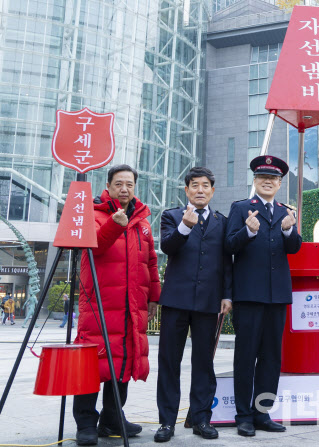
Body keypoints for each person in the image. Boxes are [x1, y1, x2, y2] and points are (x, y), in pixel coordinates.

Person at [73, 164, 161, 446]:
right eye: (119, 184)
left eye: (130, 184)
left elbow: (151, 263)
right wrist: (114, 224)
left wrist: (154, 298)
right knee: (92, 364)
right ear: (108, 186)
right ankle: (86, 423)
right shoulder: (94, 214)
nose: (124, 189)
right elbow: (93, 247)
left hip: (131, 307)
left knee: (123, 363)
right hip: (99, 305)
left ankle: (112, 418)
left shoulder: (143, 222)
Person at [154, 167, 233, 442]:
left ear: (212, 190)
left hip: (209, 301)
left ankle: (200, 418)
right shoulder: (171, 216)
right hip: (176, 300)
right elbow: (167, 247)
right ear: (186, 190)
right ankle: (166, 422)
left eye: (205, 185)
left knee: (203, 362)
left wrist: (227, 294)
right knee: (169, 362)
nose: (200, 190)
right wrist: (184, 227)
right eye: (194, 185)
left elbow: (226, 263)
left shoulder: (222, 222)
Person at [225, 155, 301, 437]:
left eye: (273, 179)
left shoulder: (286, 211)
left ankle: (262, 412)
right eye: (262, 178)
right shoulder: (241, 208)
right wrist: (248, 231)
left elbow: (294, 248)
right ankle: (243, 415)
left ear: (280, 184)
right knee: (246, 357)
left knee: (271, 357)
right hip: (249, 295)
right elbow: (229, 245)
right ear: (255, 181)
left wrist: (289, 229)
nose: (268, 182)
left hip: (277, 296)